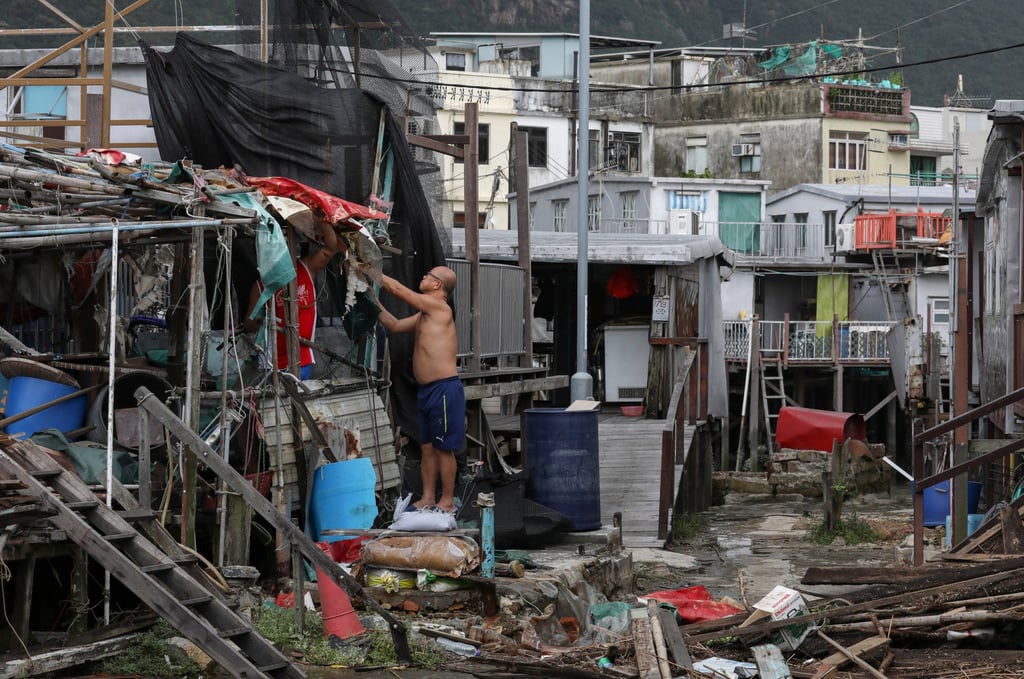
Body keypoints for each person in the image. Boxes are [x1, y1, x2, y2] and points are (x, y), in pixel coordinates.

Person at [368, 265, 464, 513]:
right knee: (427, 448)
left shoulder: (440, 308)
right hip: (426, 391)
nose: (423, 276)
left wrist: (371, 271)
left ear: (437, 285)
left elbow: (398, 290)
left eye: (427, 275)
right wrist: (371, 298)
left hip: (444, 389)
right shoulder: (424, 315)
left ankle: (448, 501)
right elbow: (395, 325)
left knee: (443, 448)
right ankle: (428, 497)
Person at [245, 219, 340, 379]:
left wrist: (320, 216)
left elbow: (331, 247)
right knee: (275, 401)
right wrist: (263, 321)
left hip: (301, 358)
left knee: (295, 400)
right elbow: (250, 323)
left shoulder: (305, 268)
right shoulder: (261, 285)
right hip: (271, 362)